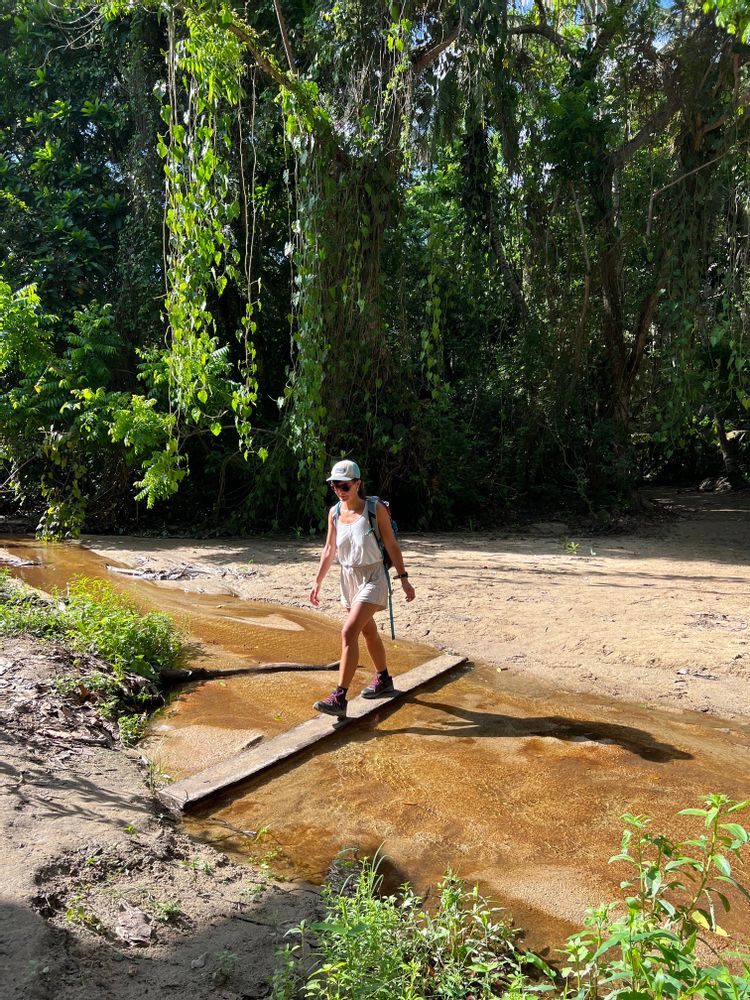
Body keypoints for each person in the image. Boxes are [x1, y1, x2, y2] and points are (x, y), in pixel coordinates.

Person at [309, 459, 415, 718]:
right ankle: (384, 680)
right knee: (367, 633)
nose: (339, 490)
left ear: (358, 484)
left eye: (344, 485)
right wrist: (317, 581)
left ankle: (340, 697)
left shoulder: (374, 509)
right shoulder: (334, 512)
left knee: (348, 632)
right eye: (335, 485)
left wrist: (403, 578)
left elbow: (391, 545)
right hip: (348, 578)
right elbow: (329, 550)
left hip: (373, 576)